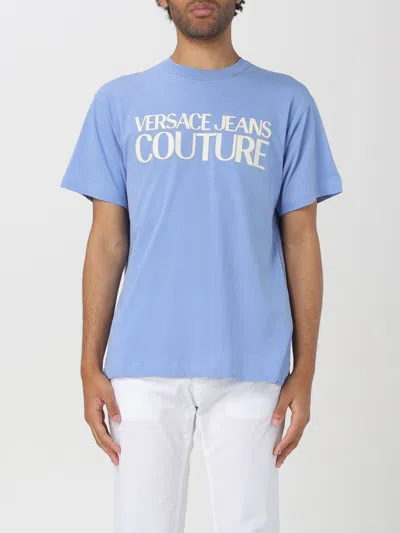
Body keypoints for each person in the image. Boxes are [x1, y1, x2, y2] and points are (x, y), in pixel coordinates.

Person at [61, 1, 343, 532]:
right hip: (141, 361)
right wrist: (88, 364)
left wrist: (304, 369)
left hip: (251, 359)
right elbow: (107, 240)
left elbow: (302, 240)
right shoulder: (118, 101)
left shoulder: (287, 101)